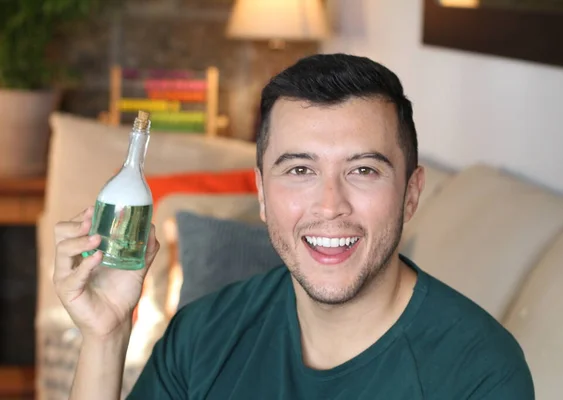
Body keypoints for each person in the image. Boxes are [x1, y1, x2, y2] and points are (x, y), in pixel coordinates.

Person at [53, 53, 535, 399]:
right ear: (262, 194)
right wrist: (106, 335)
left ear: (410, 193)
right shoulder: (203, 336)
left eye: (363, 170)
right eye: (300, 170)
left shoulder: (478, 373)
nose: (330, 205)